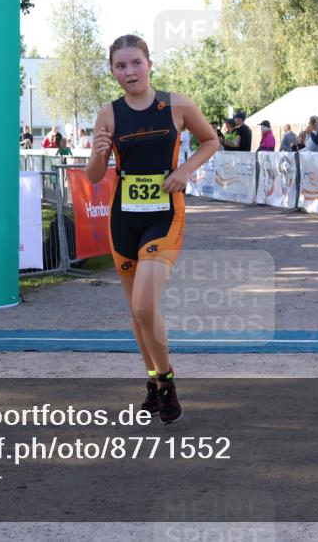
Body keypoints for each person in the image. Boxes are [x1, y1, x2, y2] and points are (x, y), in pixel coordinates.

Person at [86, 34, 220, 425]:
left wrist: (183, 171)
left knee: (146, 305)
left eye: (135, 63)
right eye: (120, 66)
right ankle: (152, 382)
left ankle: (167, 382)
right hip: (124, 219)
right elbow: (94, 176)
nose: (129, 71)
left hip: (165, 216)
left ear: (149, 63)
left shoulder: (176, 104)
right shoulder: (108, 114)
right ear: (113, 71)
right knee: (136, 311)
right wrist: (98, 152)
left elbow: (211, 140)